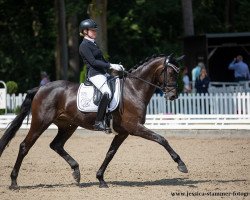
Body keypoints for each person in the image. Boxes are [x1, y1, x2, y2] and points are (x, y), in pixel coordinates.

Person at [78, 19, 124, 132]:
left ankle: (110, 118)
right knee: (107, 93)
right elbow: (93, 62)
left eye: (95, 30)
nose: (95, 32)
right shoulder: (84, 45)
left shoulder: (93, 44)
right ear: (85, 31)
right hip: (94, 74)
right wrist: (110, 65)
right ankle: (98, 122)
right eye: (92, 30)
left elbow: (102, 60)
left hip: (103, 73)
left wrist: (114, 69)